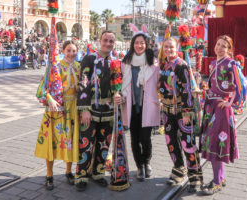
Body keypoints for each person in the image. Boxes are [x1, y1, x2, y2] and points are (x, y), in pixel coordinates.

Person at [75, 30, 121, 191]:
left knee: (104, 143)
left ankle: (98, 172)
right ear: (99, 41)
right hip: (91, 110)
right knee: (85, 143)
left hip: (109, 110)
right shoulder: (89, 58)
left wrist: (119, 95)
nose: (108, 43)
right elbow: (84, 83)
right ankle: (81, 175)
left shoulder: (117, 61)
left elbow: (119, 85)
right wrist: (85, 109)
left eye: (111, 41)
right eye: (105, 40)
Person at [158, 37, 203, 193]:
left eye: (172, 47)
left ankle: (195, 176)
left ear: (176, 48)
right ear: (163, 48)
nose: (169, 49)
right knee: (171, 142)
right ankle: (179, 169)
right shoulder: (164, 64)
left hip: (182, 111)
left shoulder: (181, 65)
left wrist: (186, 112)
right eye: (166, 47)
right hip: (167, 110)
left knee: (188, 144)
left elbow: (187, 90)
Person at [34, 40, 80, 190]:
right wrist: (50, 99)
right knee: (52, 142)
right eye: (68, 50)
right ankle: (49, 175)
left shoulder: (79, 67)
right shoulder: (55, 67)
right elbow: (42, 89)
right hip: (57, 110)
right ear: (63, 50)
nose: (71, 54)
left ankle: (68, 172)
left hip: (73, 109)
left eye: (74, 51)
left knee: (70, 141)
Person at [200, 35, 243, 195]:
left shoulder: (232, 64)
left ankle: (217, 182)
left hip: (221, 110)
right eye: (218, 44)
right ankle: (220, 177)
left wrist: (230, 103)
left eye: (224, 46)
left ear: (229, 49)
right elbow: (215, 85)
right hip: (210, 108)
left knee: (216, 144)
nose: (219, 48)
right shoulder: (213, 63)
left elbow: (242, 86)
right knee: (212, 142)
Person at [121, 32, 160, 181]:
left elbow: (160, 83)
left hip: (147, 107)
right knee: (134, 139)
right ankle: (139, 166)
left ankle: (147, 162)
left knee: (146, 139)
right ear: (132, 44)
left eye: (142, 42)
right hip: (131, 107)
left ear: (146, 44)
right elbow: (120, 83)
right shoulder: (125, 63)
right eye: (136, 42)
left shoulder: (154, 63)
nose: (139, 45)